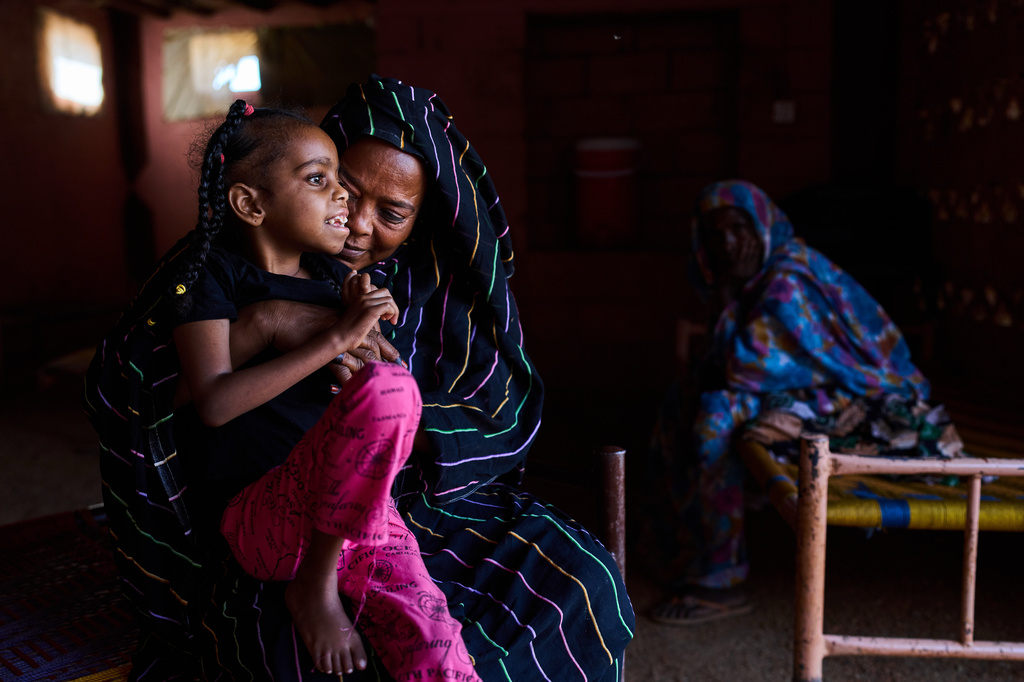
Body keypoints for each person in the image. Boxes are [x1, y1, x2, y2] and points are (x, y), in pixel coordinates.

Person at [85, 76, 633, 681]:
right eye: (339, 186)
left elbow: (493, 414)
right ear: (256, 198)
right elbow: (150, 389)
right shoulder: (221, 264)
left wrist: (389, 396)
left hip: (413, 505)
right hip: (271, 517)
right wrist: (279, 324)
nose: (357, 221)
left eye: (392, 212)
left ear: (425, 223)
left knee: (567, 582)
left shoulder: (427, 291)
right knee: (310, 654)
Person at [167, 99, 481, 680]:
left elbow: (378, 388)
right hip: (263, 517)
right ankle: (312, 588)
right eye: (321, 180)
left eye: (340, 180)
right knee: (390, 393)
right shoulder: (210, 273)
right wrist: (328, 336)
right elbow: (209, 400)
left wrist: (364, 359)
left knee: (438, 649)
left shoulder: (339, 279)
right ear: (250, 203)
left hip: (358, 523)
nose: (345, 199)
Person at [639, 179, 961, 626]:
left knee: (716, 417)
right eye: (714, 233)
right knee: (684, 399)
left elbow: (744, 368)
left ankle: (721, 581)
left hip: (858, 395)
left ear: (763, 226)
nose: (728, 242)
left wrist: (729, 294)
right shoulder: (759, 276)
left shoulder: (788, 280)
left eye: (739, 228)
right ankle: (682, 545)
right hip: (806, 389)